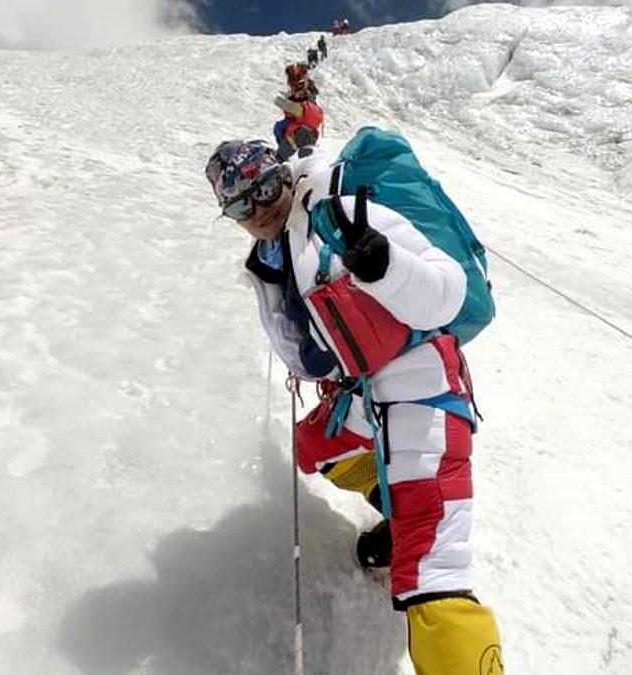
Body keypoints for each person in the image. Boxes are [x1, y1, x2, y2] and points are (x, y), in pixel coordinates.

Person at [204, 140, 504, 674]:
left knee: (432, 571)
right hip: (361, 394)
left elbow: (449, 293)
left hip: (420, 386)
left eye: (266, 188)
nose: (260, 208)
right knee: (314, 449)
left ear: (284, 175)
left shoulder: (338, 212)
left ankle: (415, 540)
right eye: (242, 205)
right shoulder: (273, 257)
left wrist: (387, 267)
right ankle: (397, 515)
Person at [271, 91, 323, 161]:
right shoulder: (314, 109)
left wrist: (289, 98)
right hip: (311, 136)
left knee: (281, 129)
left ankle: (280, 159)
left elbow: (278, 102)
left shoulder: (299, 108)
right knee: (305, 157)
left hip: (300, 135)